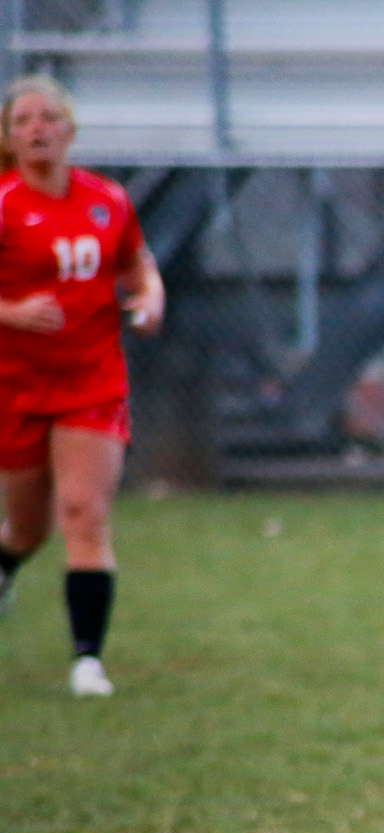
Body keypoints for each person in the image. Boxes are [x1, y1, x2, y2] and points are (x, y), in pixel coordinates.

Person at [0, 73, 164, 697]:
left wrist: (149, 299)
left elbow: (135, 264)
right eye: (24, 121)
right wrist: (12, 313)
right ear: (10, 138)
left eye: (48, 117)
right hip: (12, 384)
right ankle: (8, 562)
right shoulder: (5, 203)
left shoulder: (106, 200)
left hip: (90, 380)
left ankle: (87, 660)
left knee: (83, 512)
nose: (37, 129)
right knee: (27, 526)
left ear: (70, 129)